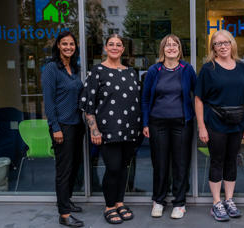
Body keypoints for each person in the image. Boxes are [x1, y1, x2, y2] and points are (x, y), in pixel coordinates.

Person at [79, 34, 142, 224]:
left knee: (123, 168)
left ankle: (119, 202)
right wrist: (94, 130)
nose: (115, 47)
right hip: (108, 131)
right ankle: (109, 206)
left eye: (119, 45)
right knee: (113, 168)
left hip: (130, 130)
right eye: (111, 44)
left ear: (123, 49)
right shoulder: (97, 71)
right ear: (106, 48)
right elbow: (87, 104)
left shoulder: (131, 72)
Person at [195, 29, 244, 222]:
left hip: (237, 122)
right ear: (213, 48)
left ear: (232, 44)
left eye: (226, 42)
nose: (223, 46)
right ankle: (216, 203)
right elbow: (199, 99)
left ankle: (229, 200)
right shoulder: (208, 69)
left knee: (231, 160)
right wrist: (201, 126)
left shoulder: (243, 68)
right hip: (215, 122)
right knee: (217, 160)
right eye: (218, 44)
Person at [141, 34, 196, 219]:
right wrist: (146, 122)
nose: (171, 48)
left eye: (175, 45)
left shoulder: (187, 69)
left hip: (181, 123)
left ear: (180, 49)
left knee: (180, 164)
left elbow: (196, 94)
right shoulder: (154, 70)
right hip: (158, 123)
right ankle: (158, 200)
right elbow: (146, 98)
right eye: (168, 45)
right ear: (162, 49)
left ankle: (179, 203)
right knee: (160, 163)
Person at [42, 31, 85, 227]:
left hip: (77, 125)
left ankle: (66, 201)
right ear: (58, 46)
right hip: (63, 127)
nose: (69, 47)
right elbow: (49, 102)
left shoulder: (73, 68)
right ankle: (64, 214)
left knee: (74, 166)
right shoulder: (51, 68)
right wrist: (55, 127)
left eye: (71, 44)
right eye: (64, 44)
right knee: (64, 170)